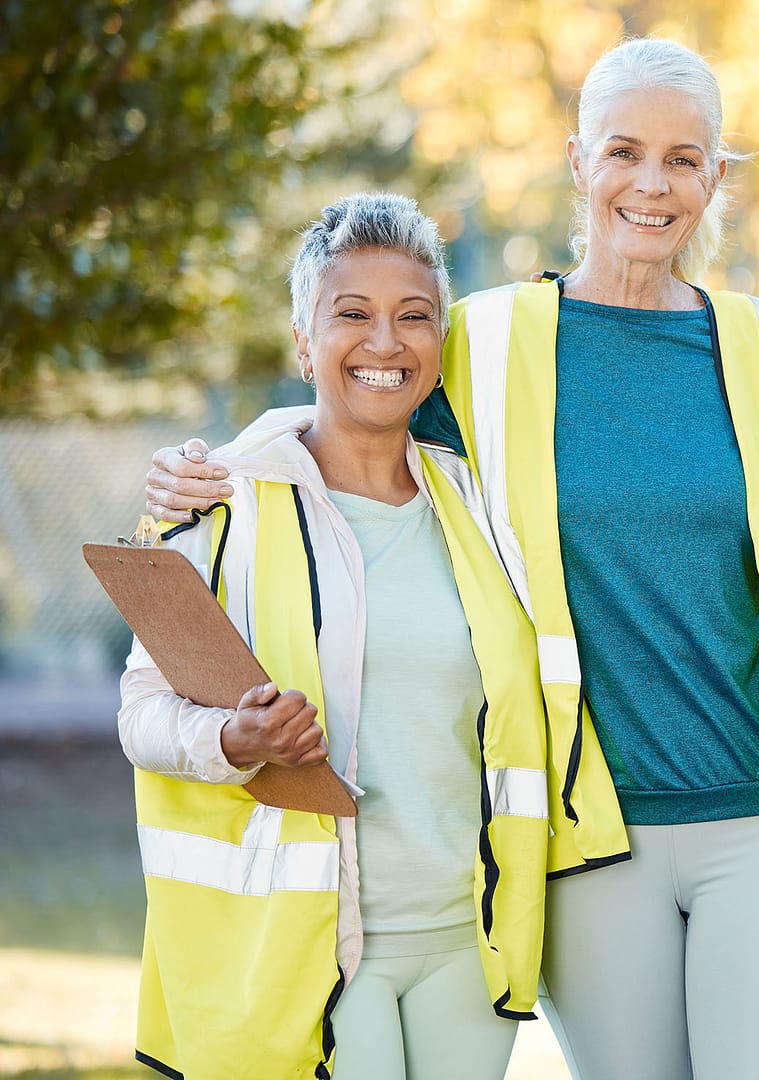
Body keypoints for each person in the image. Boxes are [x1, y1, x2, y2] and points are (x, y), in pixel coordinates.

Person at [143, 38, 759, 1080]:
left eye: (682, 159)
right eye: (623, 151)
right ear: (577, 162)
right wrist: (208, 464)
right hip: (582, 826)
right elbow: (353, 397)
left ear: (714, 177)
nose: (650, 185)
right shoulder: (484, 341)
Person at [118, 192, 548, 1080]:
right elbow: (140, 713)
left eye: (414, 317)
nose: (384, 343)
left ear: (439, 345)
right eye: (351, 315)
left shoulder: (485, 509)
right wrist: (233, 741)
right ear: (303, 339)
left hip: (469, 940)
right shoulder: (217, 504)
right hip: (308, 941)